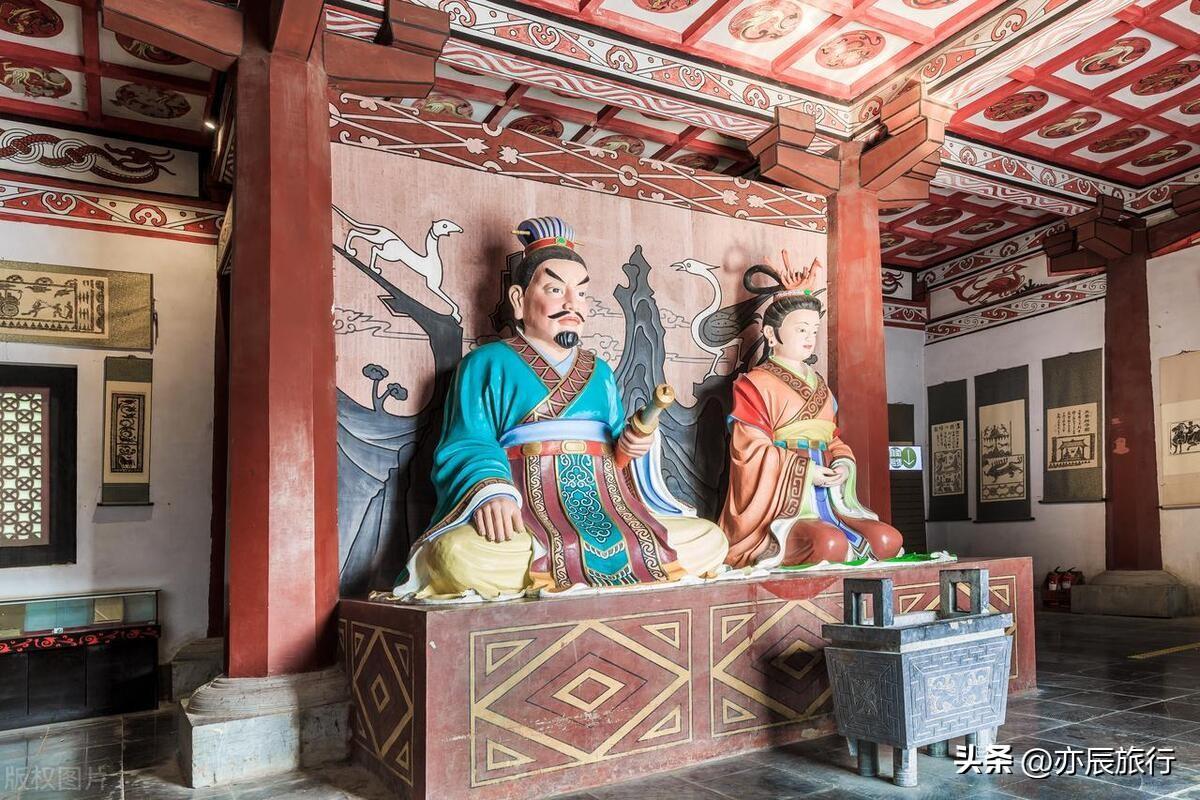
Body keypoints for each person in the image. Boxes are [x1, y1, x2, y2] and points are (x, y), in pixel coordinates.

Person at [394, 216, 729, 600]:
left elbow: (617, 453)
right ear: (518, 300)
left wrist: (635, 447)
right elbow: (469, 440)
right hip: (526, 514)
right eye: (556, 289)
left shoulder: (600, 372)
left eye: (582, 293)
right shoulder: (486, 363)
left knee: (709, 538)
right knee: (454, 556)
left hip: (608, 508)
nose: (573, 304)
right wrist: (491, 491)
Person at [719, 255, 903, 569]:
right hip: (783, 504)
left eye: (814, 330)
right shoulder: (754, 384)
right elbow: (750, 450)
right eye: (801, 329)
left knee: (888, 540)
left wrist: (843, 464)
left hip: (829, 495)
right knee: (830, 544)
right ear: (771, 334)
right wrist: (805, 471)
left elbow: (833, 439)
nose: (809, 338)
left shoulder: (820, 386)